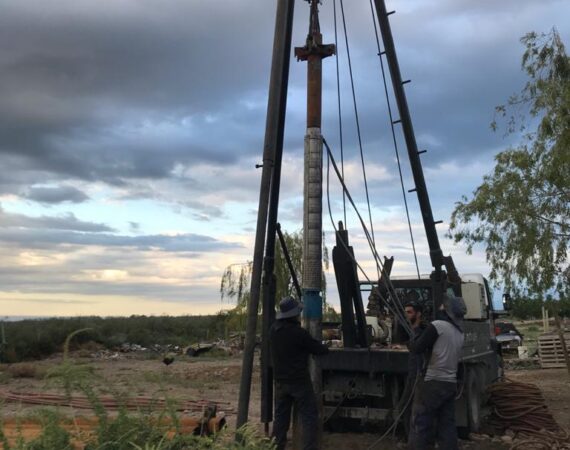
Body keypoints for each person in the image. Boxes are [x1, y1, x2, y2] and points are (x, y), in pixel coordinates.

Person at [408, 295, 467, 450]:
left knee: (421, 424)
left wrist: (414, 331)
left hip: (432, 383)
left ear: (447, 311)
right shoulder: (460, 333)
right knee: (447, 426)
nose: (440, 307)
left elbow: (416, 348)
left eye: (443, 306)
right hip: (449, 384)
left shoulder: (438, 326)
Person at [270, 296, 329, 450]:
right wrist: (327, 346)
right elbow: (317, 349)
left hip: (281, 382)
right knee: (309, 416)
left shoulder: (273, 330)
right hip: (299, 383)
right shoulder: (298, 333)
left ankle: (276, 447)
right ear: (295, 315)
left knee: (280, 419)